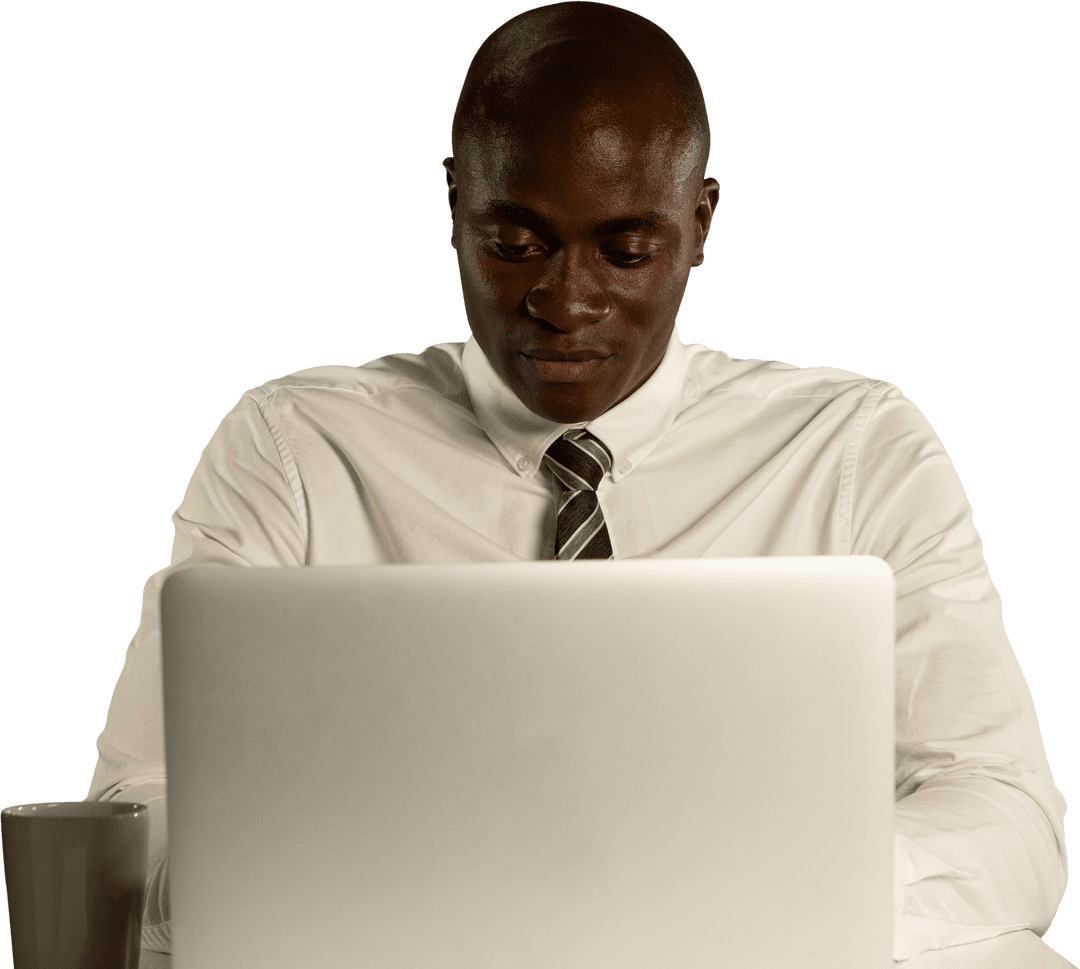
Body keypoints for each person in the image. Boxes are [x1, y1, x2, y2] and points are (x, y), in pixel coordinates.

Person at [86, 1, 1067, 960]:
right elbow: (133, 814)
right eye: (515, 247)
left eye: (628, 250)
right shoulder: (293, 449)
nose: (566, 301)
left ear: (701, 223)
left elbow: (1005, 811)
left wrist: (766, 899)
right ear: (454, 205)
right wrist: (383, 889)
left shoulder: (855, 448)